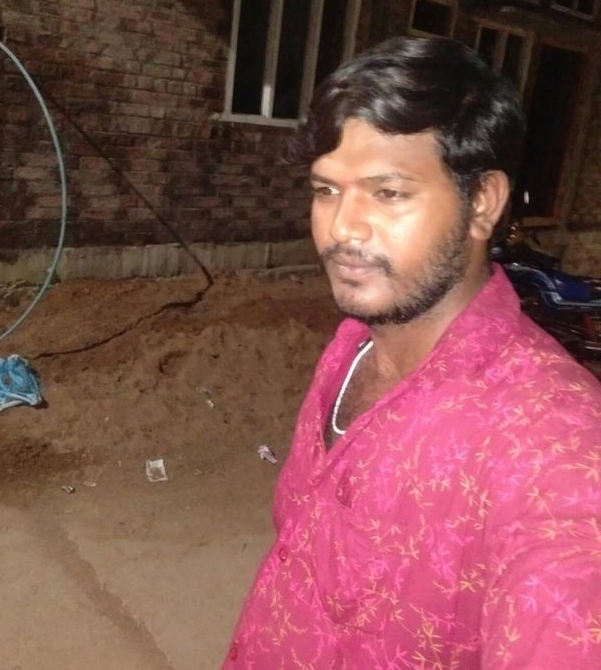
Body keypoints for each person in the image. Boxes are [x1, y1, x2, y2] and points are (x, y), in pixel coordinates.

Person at [221, 37, 601, 669]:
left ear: (483, 202)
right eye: (326, 190)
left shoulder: (552, 443)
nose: (342, 227)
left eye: (388, 192)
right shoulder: (351, 347)